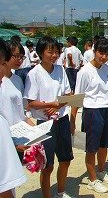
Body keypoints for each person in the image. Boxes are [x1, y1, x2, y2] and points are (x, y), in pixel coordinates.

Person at [24, 36, 74, 198]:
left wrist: (57, 106)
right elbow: (31, 102)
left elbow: (69, 94)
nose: (54, 55)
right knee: (47, 165)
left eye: (56, 52)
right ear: (40, 52)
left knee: (65, 160)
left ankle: (60, 191)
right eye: (50, 51)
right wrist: (50, 105)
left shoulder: (60, 70)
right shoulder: (34, 74)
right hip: (44, 124)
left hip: (62, 120)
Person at [70, 38, 108, 193]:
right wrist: (72, 120)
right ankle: (92, 180)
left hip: (106, 110)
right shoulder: (84, 71)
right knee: (92, 148)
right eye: (101, 53)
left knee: (104, 145)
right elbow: (77, 96)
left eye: (107, 54)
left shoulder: (106, 69)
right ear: (94, 51)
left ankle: (101, 170)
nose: (103, 57)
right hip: (92, 112)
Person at [0, 38, 27, 198]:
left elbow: (20, 109)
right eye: (14, 56)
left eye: (21, 56)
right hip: (10, 138)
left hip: (17, 136)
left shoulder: (17, 79)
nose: (18, 60)